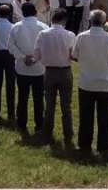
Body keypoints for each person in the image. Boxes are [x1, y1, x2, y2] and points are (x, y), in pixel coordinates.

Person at [72, 10, 108, 154]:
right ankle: (103, 147)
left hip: (86, 83)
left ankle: (84, 144)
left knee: (85, 117)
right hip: (105, 84)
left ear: (90, 21)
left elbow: (74, 56)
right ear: (104, 22)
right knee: (105, 118)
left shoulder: (81, 37)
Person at [33, 8, 75, 144]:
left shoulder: (43, 34)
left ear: (52, 19)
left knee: (49, 105)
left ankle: (47, 131)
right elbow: (73, 55)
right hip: (65, 71)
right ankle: (68, 133)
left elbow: (36, 55)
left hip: (49, 72)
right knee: (66, 105)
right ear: (64, 20)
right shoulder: (70, 35)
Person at [8, 3, 48, 134]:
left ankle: (22, 124)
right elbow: (46, 48)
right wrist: (35, 58)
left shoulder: (16, 27)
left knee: (22, 97)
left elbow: (10, 47)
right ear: (35, 12)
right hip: (38, 68)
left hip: (22, 67)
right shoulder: (43, 27)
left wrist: (23, 57)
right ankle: (39, 125)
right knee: (38, 98)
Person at [0, 5, 15, 121]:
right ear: (9, 14)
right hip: (9, 55)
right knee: (10, 84)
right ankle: (11, 112)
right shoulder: (13, 27)